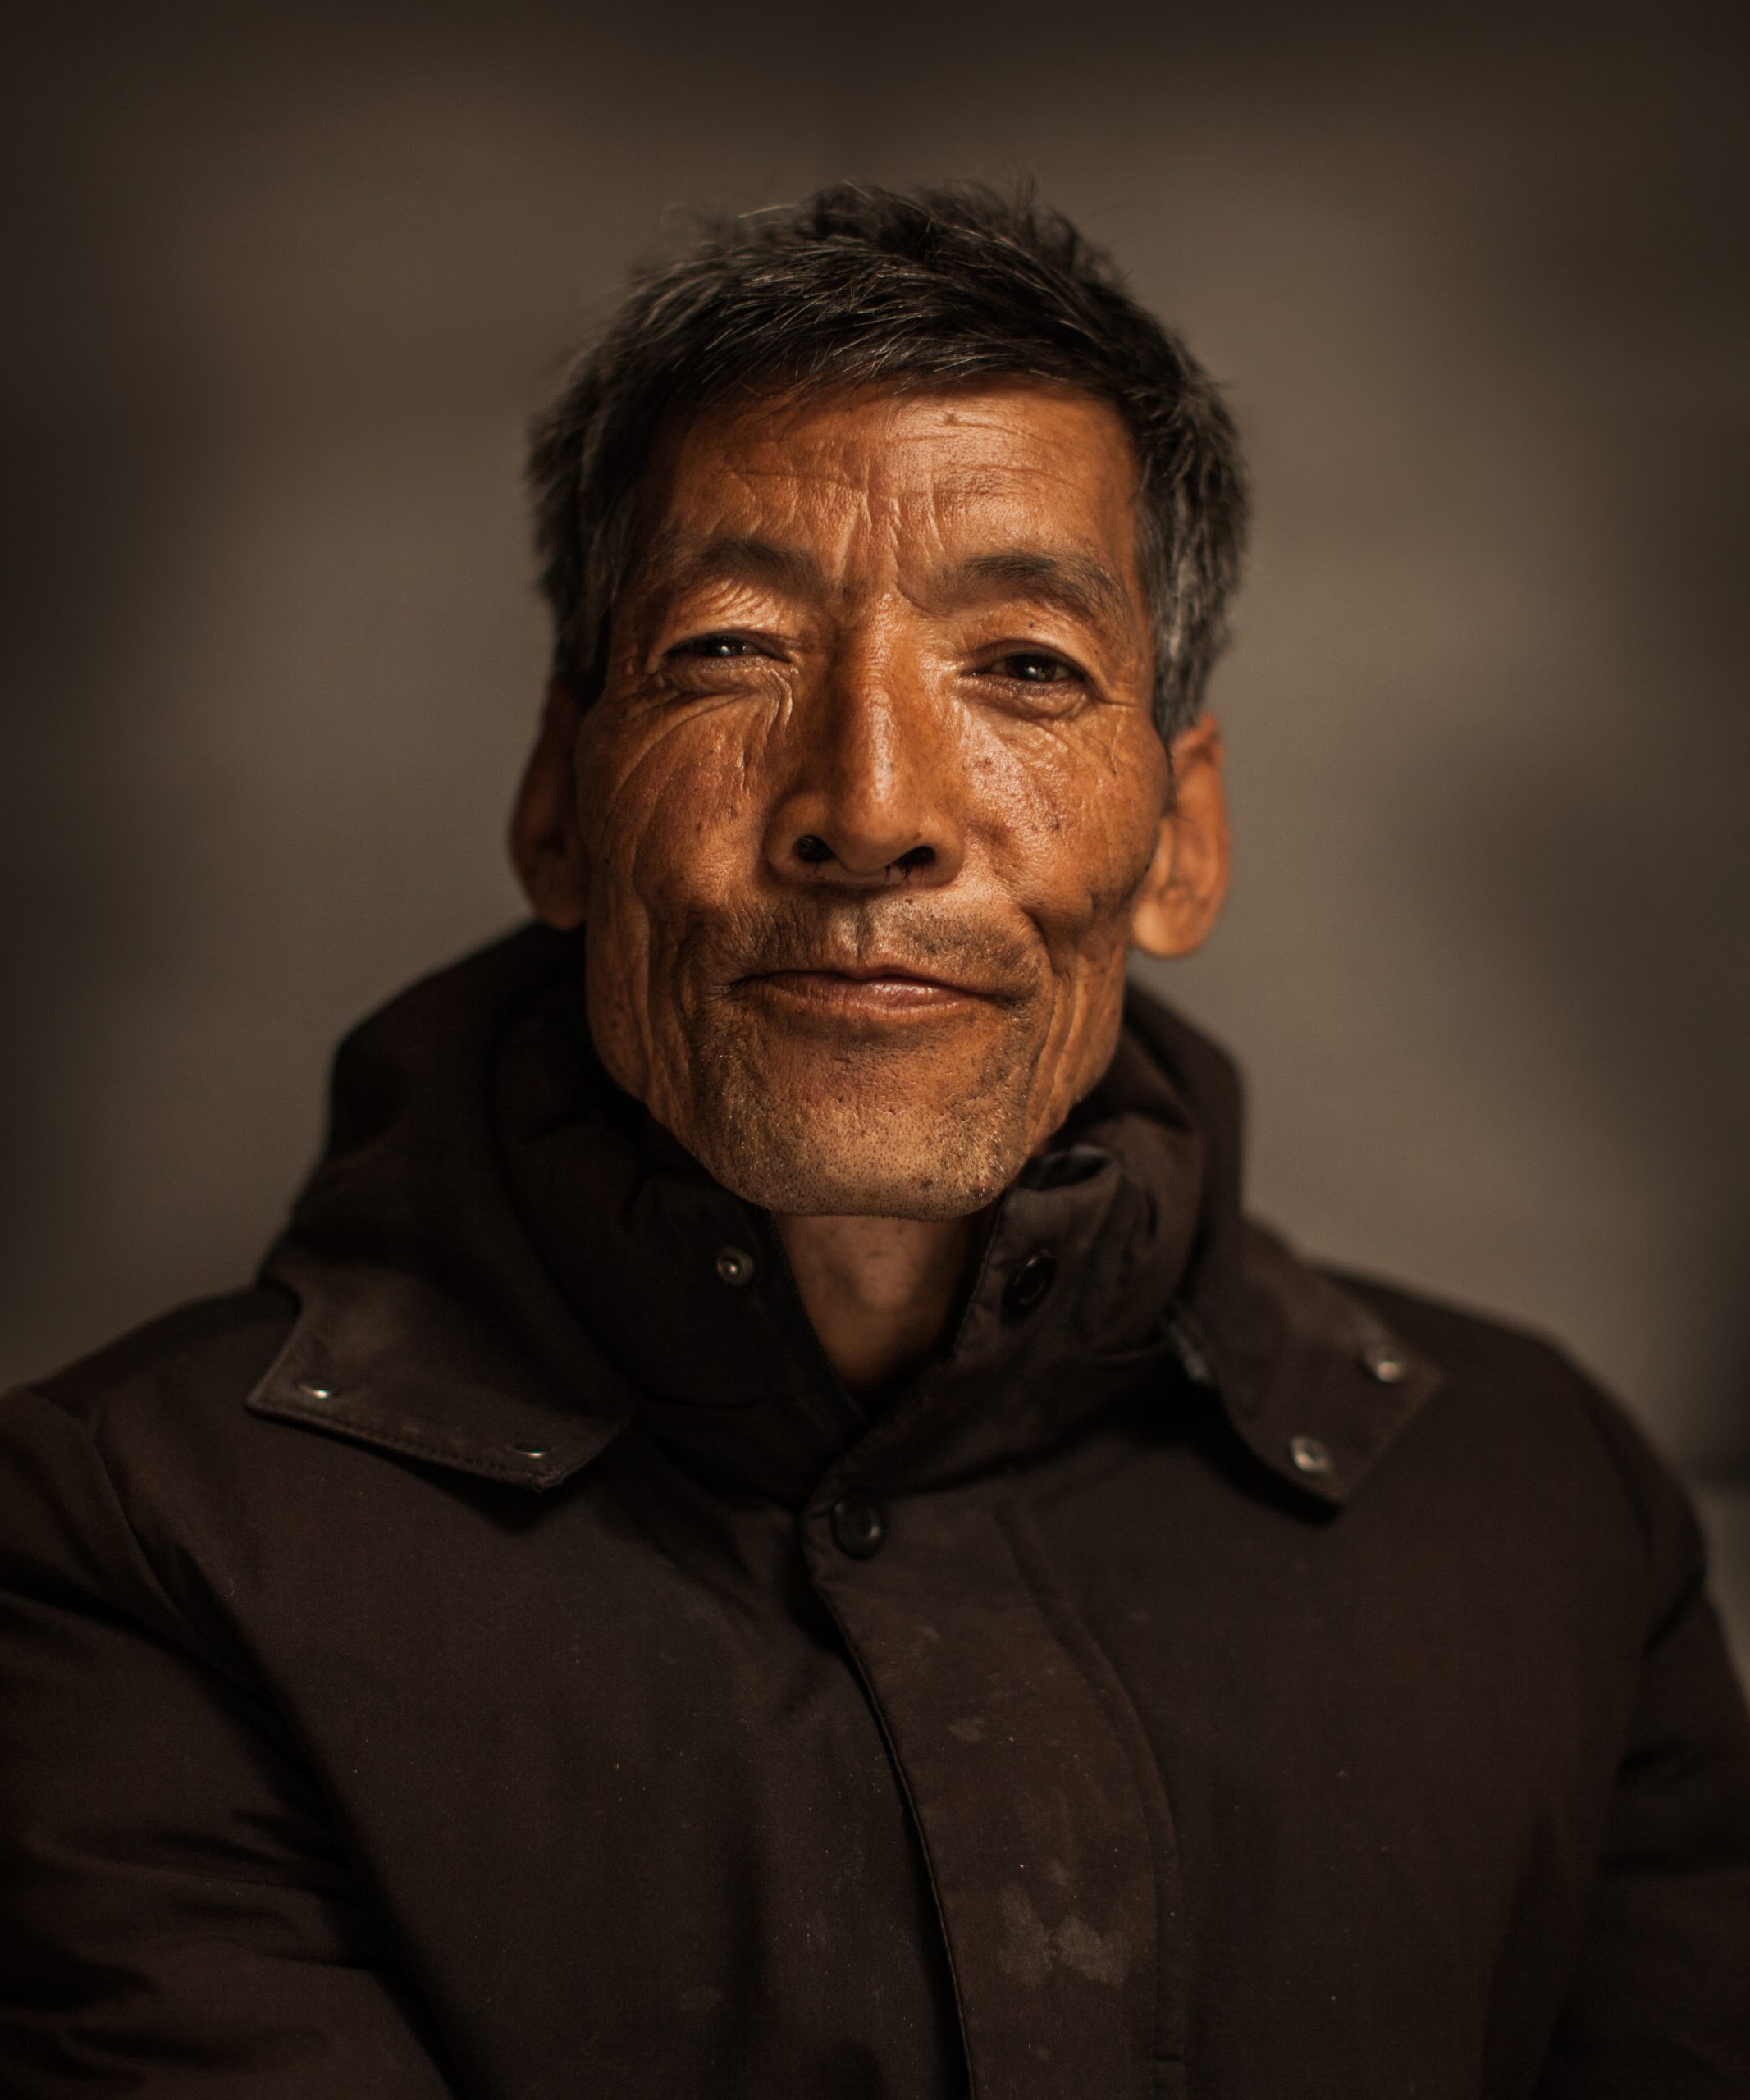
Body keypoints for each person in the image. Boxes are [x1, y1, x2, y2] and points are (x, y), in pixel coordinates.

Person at [2, 184, 1746, 2100]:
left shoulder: (1540, 1513)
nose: (870, 805)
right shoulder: (129, 1543)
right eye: (730, 649)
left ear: (1180, 836)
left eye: (1023, 666)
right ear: (558, 802)